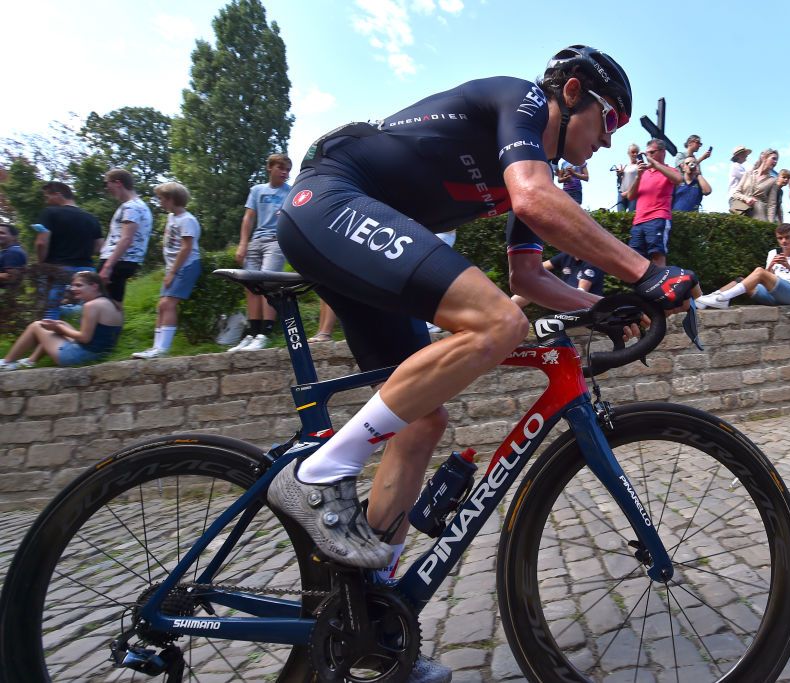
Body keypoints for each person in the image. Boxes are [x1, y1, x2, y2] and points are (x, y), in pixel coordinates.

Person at [269, 47, 698, 670]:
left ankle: (371, 622)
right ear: (571, 92)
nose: (609, 142)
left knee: (423, 422)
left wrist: (598, 304)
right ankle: (317, 473)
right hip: (330, 202)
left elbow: (526, 273)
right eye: (610, 122)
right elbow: (533, 202)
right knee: (497, 322)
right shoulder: (521, 102)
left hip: (353, 228)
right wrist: (644, 271)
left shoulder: (528, 165)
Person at [230, 153, 293, 352]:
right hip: (256, 241)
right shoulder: (257, 190)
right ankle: (251, 332)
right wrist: (242, 244)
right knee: (250, 286)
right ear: (270, 168)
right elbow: (248, 218)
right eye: (281, 168)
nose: (285, 172)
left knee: (268, 283)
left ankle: (264, 334)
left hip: (275, 241)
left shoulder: (290, 192)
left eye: (288, 170)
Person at [132, 182, 202, 359]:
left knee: (168, 304)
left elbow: (186, 248)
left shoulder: (187, 220)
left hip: (186, 266)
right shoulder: (172, 217)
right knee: (161, 306)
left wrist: (172, 272)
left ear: (172, 199)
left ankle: (162, 349)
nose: (160, 202)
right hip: (174, 266)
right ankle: (155, 347)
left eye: (161, 199)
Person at [0, 271, 122, 370]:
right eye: (73, 285)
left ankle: (6, 362)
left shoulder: (91, 306)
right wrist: (59, 327)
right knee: (60, 323)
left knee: (37, 325)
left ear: (94, 286)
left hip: (81, 356)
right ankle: (30, 361)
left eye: (79, 285)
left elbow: (85, 338)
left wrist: (59, 329)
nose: (73, 289)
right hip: (102, 353)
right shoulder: (111, 303)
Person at [695, 223, 790, 308]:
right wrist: (770, 267)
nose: (784, 241)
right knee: (741, 281)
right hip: (774, 296)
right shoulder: (773, 253)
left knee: (759, 271)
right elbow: (768, 278)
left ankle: (722, 298)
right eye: (780, 238)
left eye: (787, 237)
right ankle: (706, 301)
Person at [35, 181, 103, 317]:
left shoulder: (50, 213)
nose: (46, 201)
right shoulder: (91, 218)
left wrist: (41, 262)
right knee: (90, 308)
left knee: (50, 308)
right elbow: (100, 246)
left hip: (56, 268)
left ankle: (51, 336)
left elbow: (42, 242)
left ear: (57, 195)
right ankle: (86, 334)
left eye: (47, 197)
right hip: (86, 269)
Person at [99, 168, 153, 307]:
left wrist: (107, 266)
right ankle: (112, 328)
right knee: (114, 303)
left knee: (101, 304)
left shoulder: (131, 207)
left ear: (118, 183)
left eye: (107, 184)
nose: (106, 188)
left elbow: (126, 239)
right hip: (126, 260)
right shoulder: (140, 206)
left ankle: (103, 328)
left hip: (118, 260)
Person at [625, 138, 684, 266]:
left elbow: (679, 179)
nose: (648, 156)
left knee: (657, 256)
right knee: (635, 259)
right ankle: (641, 286)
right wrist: (638, 176)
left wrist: (656, 165)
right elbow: (630, 196)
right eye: (647, 154)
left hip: (658, 218)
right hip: (639, 221)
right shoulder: (642, 173)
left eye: (652, 153)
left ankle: (658, 286)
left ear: (663, 152)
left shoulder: (670, 170)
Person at [731, 148, 779, 221]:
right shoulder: (748, 174)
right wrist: (746, 199)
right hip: (742, 215)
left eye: (777, 160)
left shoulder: (773, 181)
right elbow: (736, 193)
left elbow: (772, 205)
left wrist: (770, 224)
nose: (775, 162)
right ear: (764, 158)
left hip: (759, 218)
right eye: (773, 158)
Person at [0, 223, 28, 289]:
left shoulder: (12, 252)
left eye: (2, 233)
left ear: (14, 237)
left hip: (7, 296)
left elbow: (12, 277)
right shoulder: (8, 251)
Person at [615, 144, 640, 211]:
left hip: (633, 193)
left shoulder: (639, 166)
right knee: (620, 215)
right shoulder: (625, 166)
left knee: (631, 215)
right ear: (628, 153)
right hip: (622, 193)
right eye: (633, 152)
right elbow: (620, 180)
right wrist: (619, 174)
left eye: (637, 152)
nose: (635, 154)